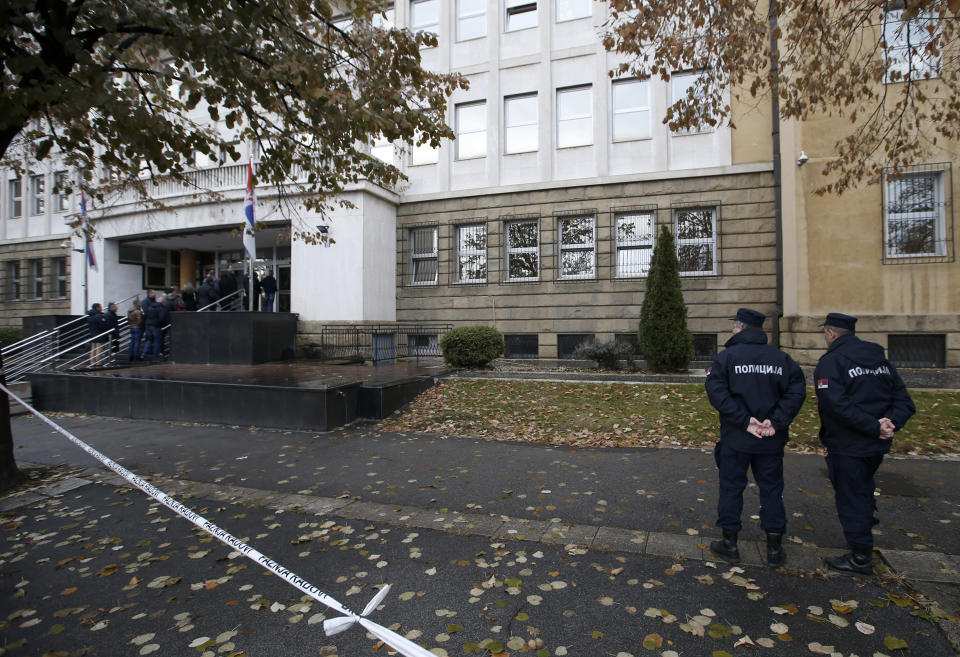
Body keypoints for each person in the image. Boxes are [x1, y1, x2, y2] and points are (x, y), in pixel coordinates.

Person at [814, 313, 916, 576]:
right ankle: (862, 537)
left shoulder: (832, 362)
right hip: (876, 444)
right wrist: (889, 424)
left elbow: (835, 404)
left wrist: (875, 427)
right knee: (862, 489)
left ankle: (860, 556)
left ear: (831, 333)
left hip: (848, 443)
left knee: (852, 496)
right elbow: (904, 401)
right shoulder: (880, 360)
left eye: (825, 333)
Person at [705, 308, 806, 566]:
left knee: (731, 488)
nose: (732, 330)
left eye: (733, 326)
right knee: (772, 490)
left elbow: (717, 392)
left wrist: (744, 420)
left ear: (740, 328)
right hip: (770, 437)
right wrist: (776, 421)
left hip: (736, 437)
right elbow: (796, 392)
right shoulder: (781, 359)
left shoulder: (727, 358)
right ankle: (774, 549)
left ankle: (730, 544)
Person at [143, 293, 171, 360]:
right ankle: (155, 356)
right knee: (157, 341)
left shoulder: (150, 307)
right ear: (163, 302)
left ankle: (144, 354)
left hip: (148, 325)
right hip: (156, 326)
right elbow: (161, 319)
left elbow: (146, 315)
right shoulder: (161, 308)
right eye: (165, 302)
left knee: (149, 340)